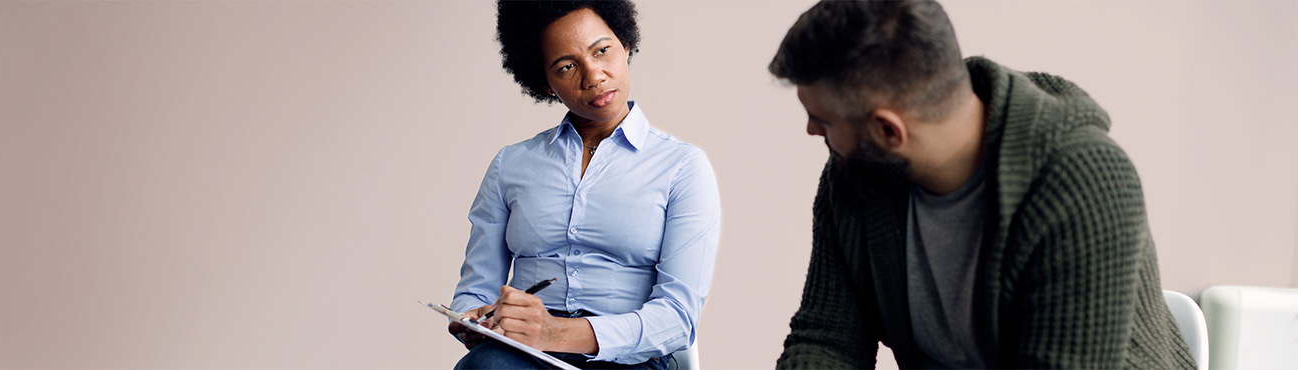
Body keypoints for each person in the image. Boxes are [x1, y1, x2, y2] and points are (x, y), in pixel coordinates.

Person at [768, 1, 1195, 368]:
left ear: (888, 131)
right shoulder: (857, 175)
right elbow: (827, 339)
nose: (810, 131)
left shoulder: (1082, 182)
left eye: (824, 122)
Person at [447, 1, 721, 369]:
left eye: (602, 50)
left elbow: (677, 317)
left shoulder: (683, 168)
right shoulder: (510, 165)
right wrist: (473, 318)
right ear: (545, 82)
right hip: (524, 354)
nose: (593, 76)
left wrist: (555, 332)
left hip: (629, 358)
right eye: (567, 66)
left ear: (625, 44)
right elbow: (476, 287)